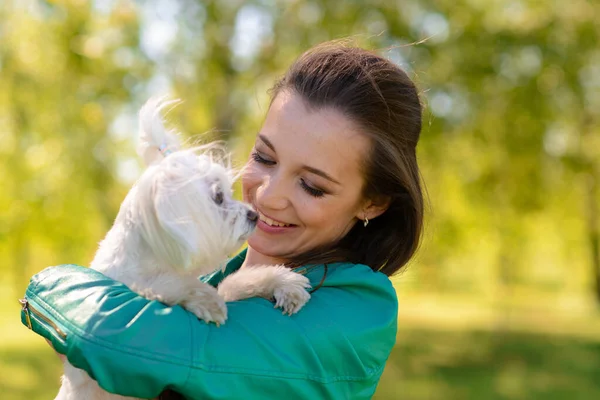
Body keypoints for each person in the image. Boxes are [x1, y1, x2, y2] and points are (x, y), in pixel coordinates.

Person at [21, 41, 424, 399]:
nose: (267, 195)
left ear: (373, 202)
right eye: (264, 158)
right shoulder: (209, 273)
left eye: (312, 186)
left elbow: (134, 347)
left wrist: (51, 290)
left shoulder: (357, 309)